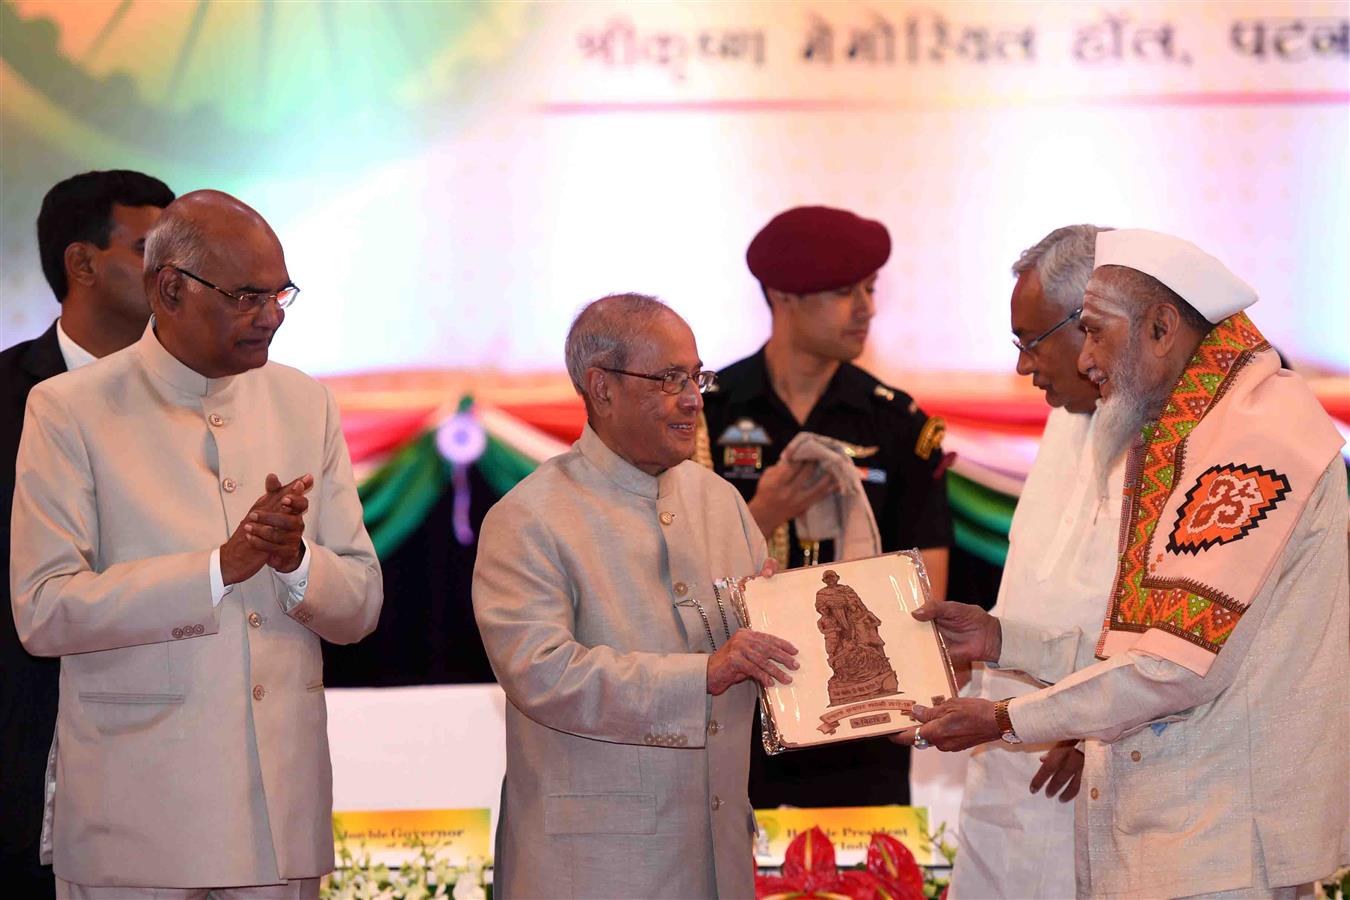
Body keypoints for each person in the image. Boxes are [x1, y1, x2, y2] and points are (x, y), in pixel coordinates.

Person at [908, 229, 1349, 898]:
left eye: (1095, 332)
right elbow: (1145, 647)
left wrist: (1004, 719)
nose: (1086, 360)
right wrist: (1002, 641)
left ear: (1162, 328)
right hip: (1177, 838)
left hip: (1219, 850)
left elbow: (1174, 669)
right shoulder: (1194, 431)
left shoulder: (1251, 448)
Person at [10, 190, 383, 898]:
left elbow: (361, 604)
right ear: (170, 290)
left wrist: (296, 563)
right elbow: (44, 610)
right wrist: (217, 569)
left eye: (279, 294)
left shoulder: (304, 402)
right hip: (137, 822)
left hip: (280, 820)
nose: (271, 316)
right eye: (246, 297)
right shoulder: (69, 408)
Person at [472, 293, 798, 899]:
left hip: (717, 860)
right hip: (592, 870)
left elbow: (768, 652)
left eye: (696, 376)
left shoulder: (720, 502)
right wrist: (704, 674)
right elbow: (542, 675)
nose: (693, 398)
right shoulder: (528, 518)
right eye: (669, 379)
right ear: (602, 388)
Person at [702, 205, 953, 807]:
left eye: (870, 289)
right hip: (738, 717)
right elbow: (672, 582)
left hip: (862, 724)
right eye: (844, 292)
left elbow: (926, 589)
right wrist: (761, 515)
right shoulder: (707, 414)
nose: (866, 309)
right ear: (783, 296)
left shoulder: (896, 422)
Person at [1, 169, 174, 900]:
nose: (173, 274)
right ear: (82, 263)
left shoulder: (212, 398)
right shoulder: (9, 397)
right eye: (148, 252)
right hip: (25, 749)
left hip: (178, 752)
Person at [949, 225, 1120, 900]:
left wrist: (1092, 732)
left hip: (1101, 769)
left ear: (1092, 324)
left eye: (1031, 341)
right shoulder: (1067, 414)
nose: (1023, 367)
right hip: (1009, 757)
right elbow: (1038, 597)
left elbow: (1175, 644)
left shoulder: (1184, 437)